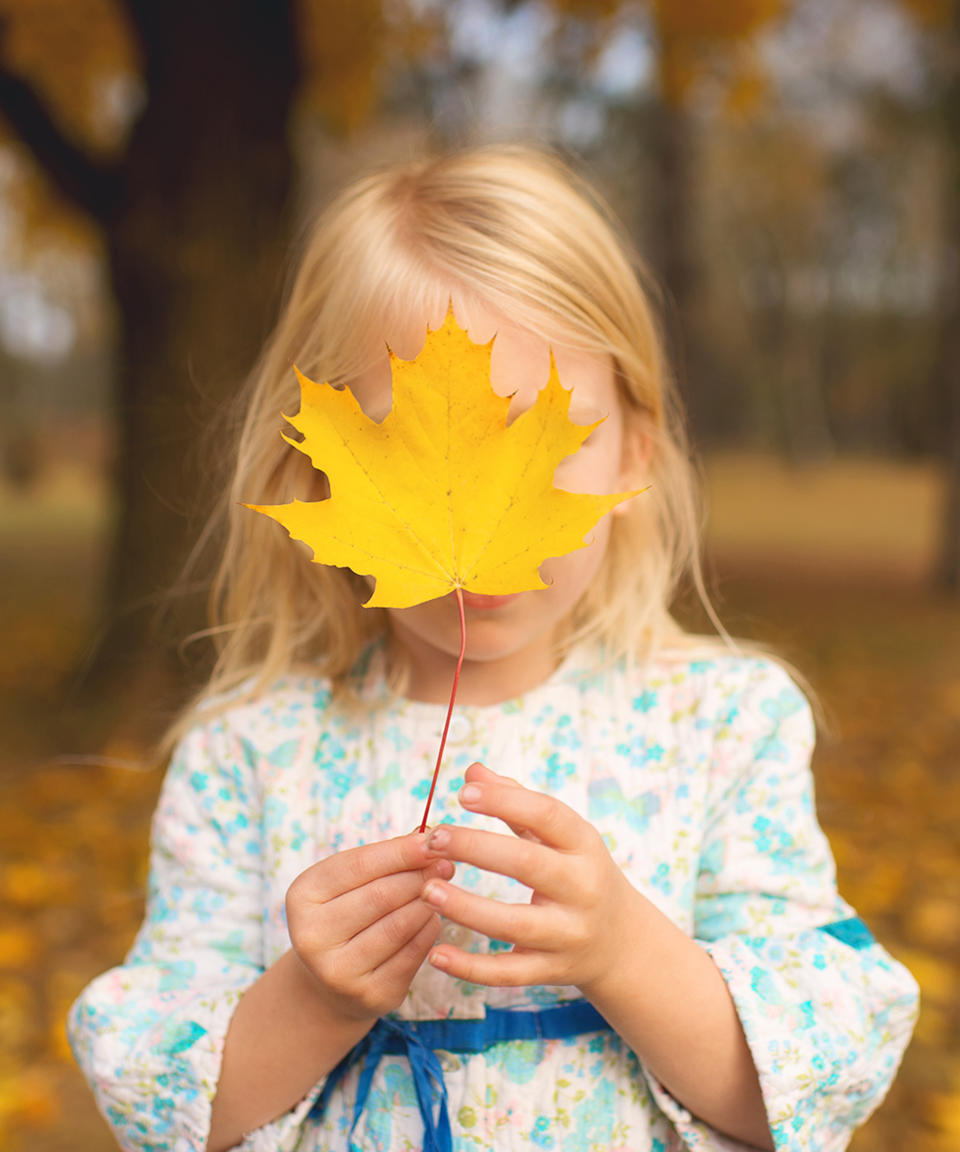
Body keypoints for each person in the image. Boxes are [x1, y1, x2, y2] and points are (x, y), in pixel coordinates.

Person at [68, 145, 919, 1152]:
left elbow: (800, 1088)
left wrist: (625, 951)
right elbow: (165, 1107)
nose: (481, 506)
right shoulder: (248, 757)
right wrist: (311, 1000)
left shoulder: (721, 726)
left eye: (544, 445)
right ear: (324, 478)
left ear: (635, 451)